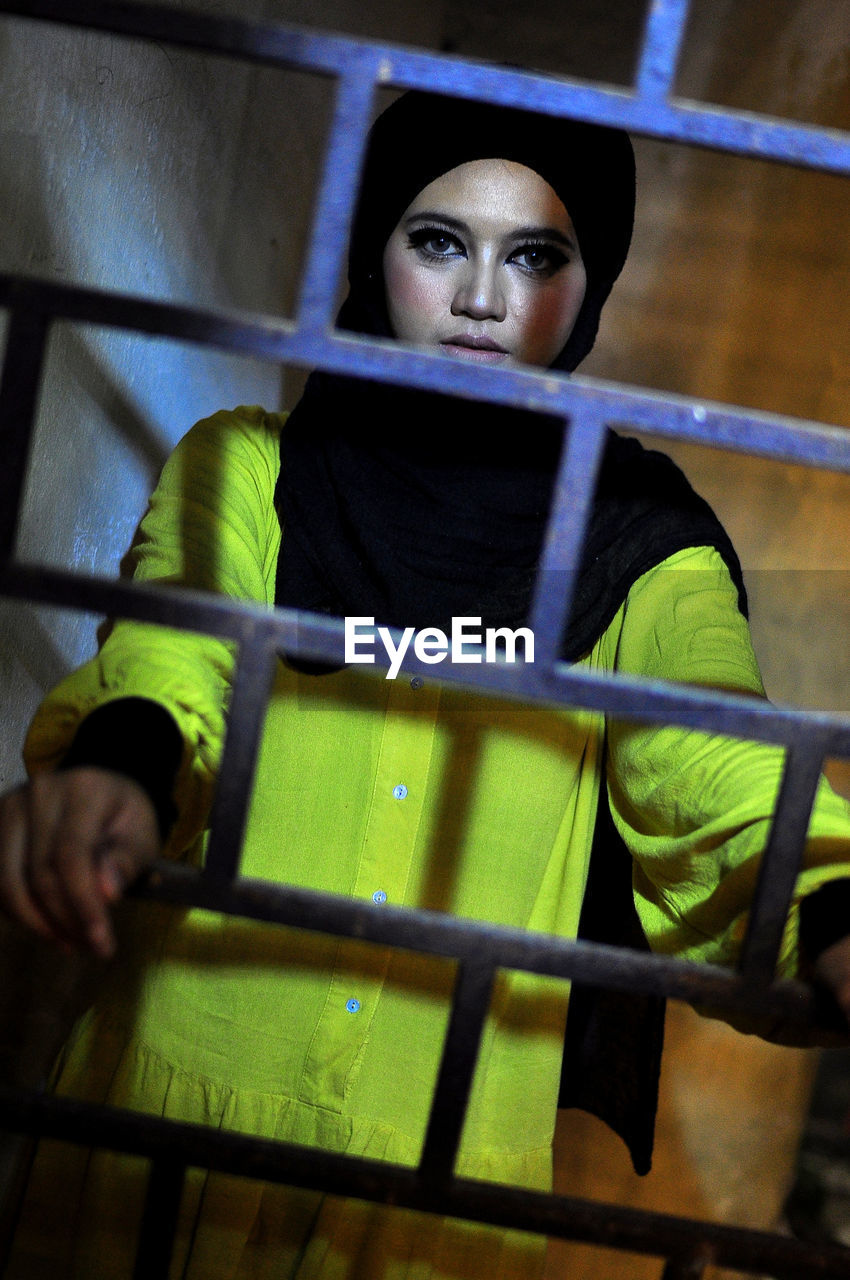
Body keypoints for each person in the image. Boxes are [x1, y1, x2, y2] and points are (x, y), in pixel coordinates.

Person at [2, 90, 850, 1280]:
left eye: (536, 256)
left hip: (438, 1200)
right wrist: (124, 767)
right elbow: (172, 647)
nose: (483, 301)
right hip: (163, 1124)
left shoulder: (642, 547)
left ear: (589, 285)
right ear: (368, 251)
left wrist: (829, 901)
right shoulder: (248, 467)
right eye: (438, 240)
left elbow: (712, 757)